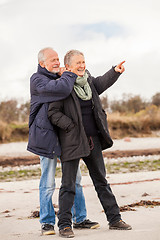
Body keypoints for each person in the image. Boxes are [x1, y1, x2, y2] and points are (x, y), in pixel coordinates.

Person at [48, 49, 132, 238]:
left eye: (83, 62)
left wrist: (115, 71)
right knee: (68, 184)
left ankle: (114, 219)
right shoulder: (61, 86)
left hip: (93, 141)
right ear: (68, 66)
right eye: (78, 63)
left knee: (101, 181)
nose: (82, 65)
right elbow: (53, 113)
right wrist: (70, 126)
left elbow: (102, 82)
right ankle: (64, 225)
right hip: (72, 142)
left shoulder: (89, 81)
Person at [27, 48, 99, 235]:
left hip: (65, 137)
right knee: (48, 181)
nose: (57, 62)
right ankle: (47, 223)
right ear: (42, 63)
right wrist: (67, 73)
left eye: (58, 58)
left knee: (75, 179)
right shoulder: (38, 80)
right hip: (46, 138)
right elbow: (61, 89)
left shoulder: (58, 77)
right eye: (52, 60)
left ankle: (80, 218)